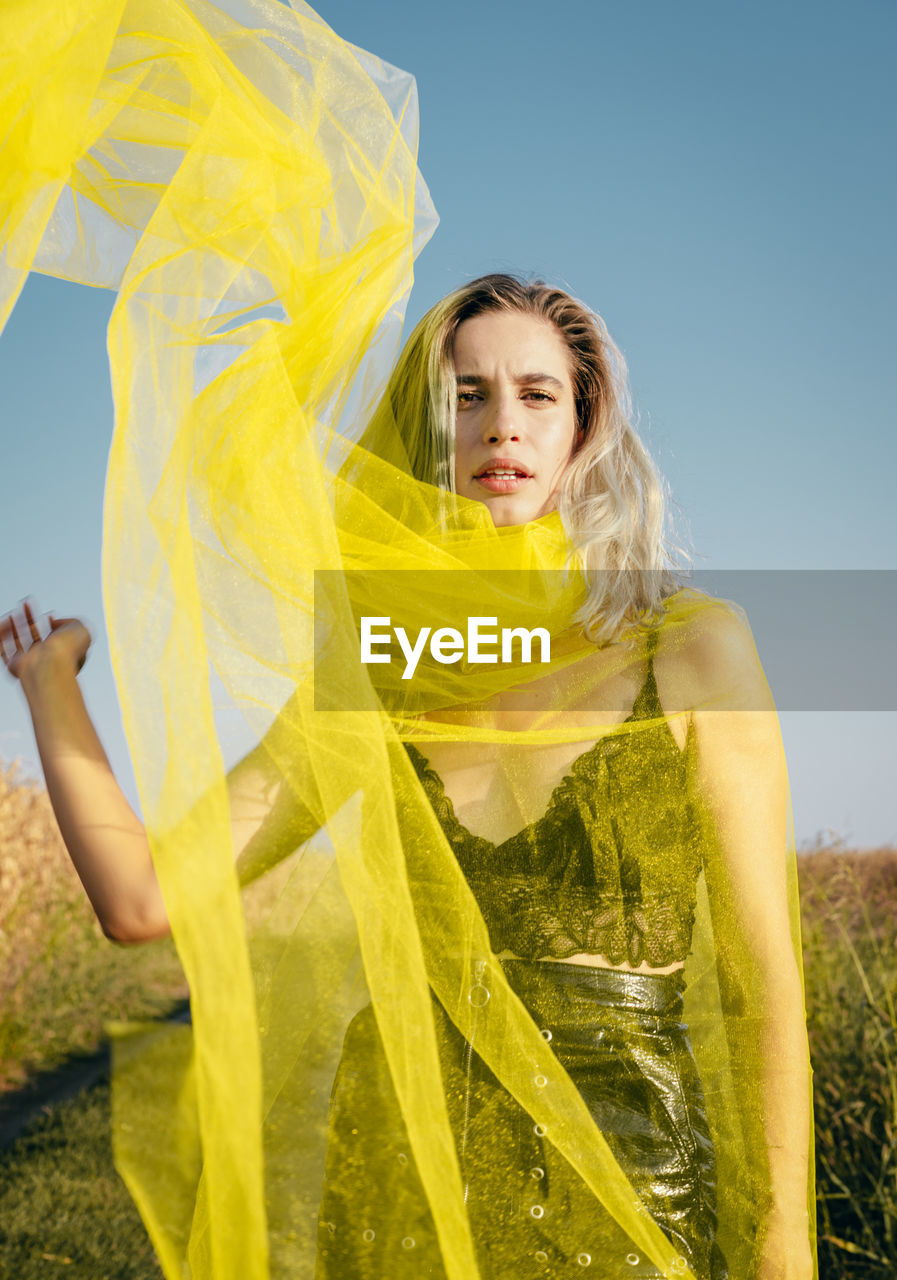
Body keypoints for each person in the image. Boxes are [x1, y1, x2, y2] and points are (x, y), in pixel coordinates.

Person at [0, 3, 815, 1277]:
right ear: (428, 432)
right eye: (466, 392)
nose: (500, 421)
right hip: (398, 1186)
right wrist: (52, 691)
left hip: (633, 1177)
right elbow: (144, 899)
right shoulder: (375, 673)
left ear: (580, 428)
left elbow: (764, 984)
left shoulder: (691, 648)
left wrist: (784, 1248)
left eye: (535, 392)